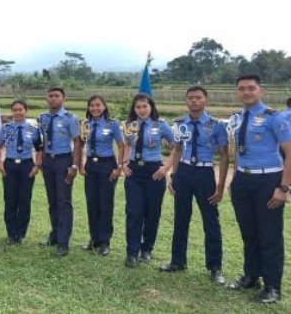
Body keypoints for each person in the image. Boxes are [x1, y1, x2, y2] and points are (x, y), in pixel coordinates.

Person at [227, 75, 291, 304]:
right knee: (249, 232)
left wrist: (283, 188)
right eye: (241, 89)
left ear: (260, 90)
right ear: (237, 92)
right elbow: (240, 152)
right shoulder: (238, 118)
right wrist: (234, 180)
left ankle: (273, 287)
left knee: (270, 235)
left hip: (269, 181)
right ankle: (251, 276)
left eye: (251, 88)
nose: (246, 92)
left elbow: (290, 152)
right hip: (244, 180)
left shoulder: (275, 118)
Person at [160, 86, 229, 285]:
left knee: (211, 221)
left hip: (205, 173)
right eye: (190, 98)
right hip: (184, 172)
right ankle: (177, 261)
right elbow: (178, 149)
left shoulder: (216, 125)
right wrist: (174, 176)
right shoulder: (180, 123)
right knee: (181, 218)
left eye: (198, 98)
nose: (194, 101)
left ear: (205, 100)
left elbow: (224, 155)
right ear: (186, 101)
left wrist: (220, 184)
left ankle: (215, 267)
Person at [121, 93, 174, 268]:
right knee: (134, 212)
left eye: (144, 106)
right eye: (138, 107)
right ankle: (132, 252)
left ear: (151, 107)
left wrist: (166, 168)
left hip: (154, 172)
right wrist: (124, 163)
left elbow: (178, 146)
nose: (141, 110)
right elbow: (127, 145)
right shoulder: (131, 125)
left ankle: (147, 249)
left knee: (152, 213)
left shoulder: (161, 125)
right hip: (134, 172)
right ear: (134, 109)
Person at [37, 87, 82, 257]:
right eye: (51, 96)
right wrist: (41, 161)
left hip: (64, 161)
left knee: (64, 202)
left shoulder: (70, 118)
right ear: (46, 99)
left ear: (63, 99)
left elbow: (77, 143)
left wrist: (75, 166)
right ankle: (54, 235)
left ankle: (63, 242)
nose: (54, 99)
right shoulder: (42, 118)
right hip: (49, 161)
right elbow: (41, 140)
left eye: (57, 96)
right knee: (53, 201)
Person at [80, 95, 124, 256]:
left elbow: (121, 146)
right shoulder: (86, 124)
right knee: (92, 203)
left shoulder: (112, 124)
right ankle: (94, 239)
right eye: (92, 105)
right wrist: (83, 163)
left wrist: (119, 167)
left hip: (107, 165)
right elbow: (84, 145)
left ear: (104, 107)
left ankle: (105, 241)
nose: (95, 108)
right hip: (91, 165)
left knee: (105, 204)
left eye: (98, 105)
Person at [0, 100, 43, 245]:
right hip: (10, 165)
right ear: (12, 112)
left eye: (20, 109)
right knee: (10, 201)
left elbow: (40, 149)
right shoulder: (6, 128)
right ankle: (11, 234)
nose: (17, 112)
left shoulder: (34, 129)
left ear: (25, 111)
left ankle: (21, 234)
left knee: (24, 201)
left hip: (27, 166)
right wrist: (0, 163)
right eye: (15, 110)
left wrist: (37, 166)